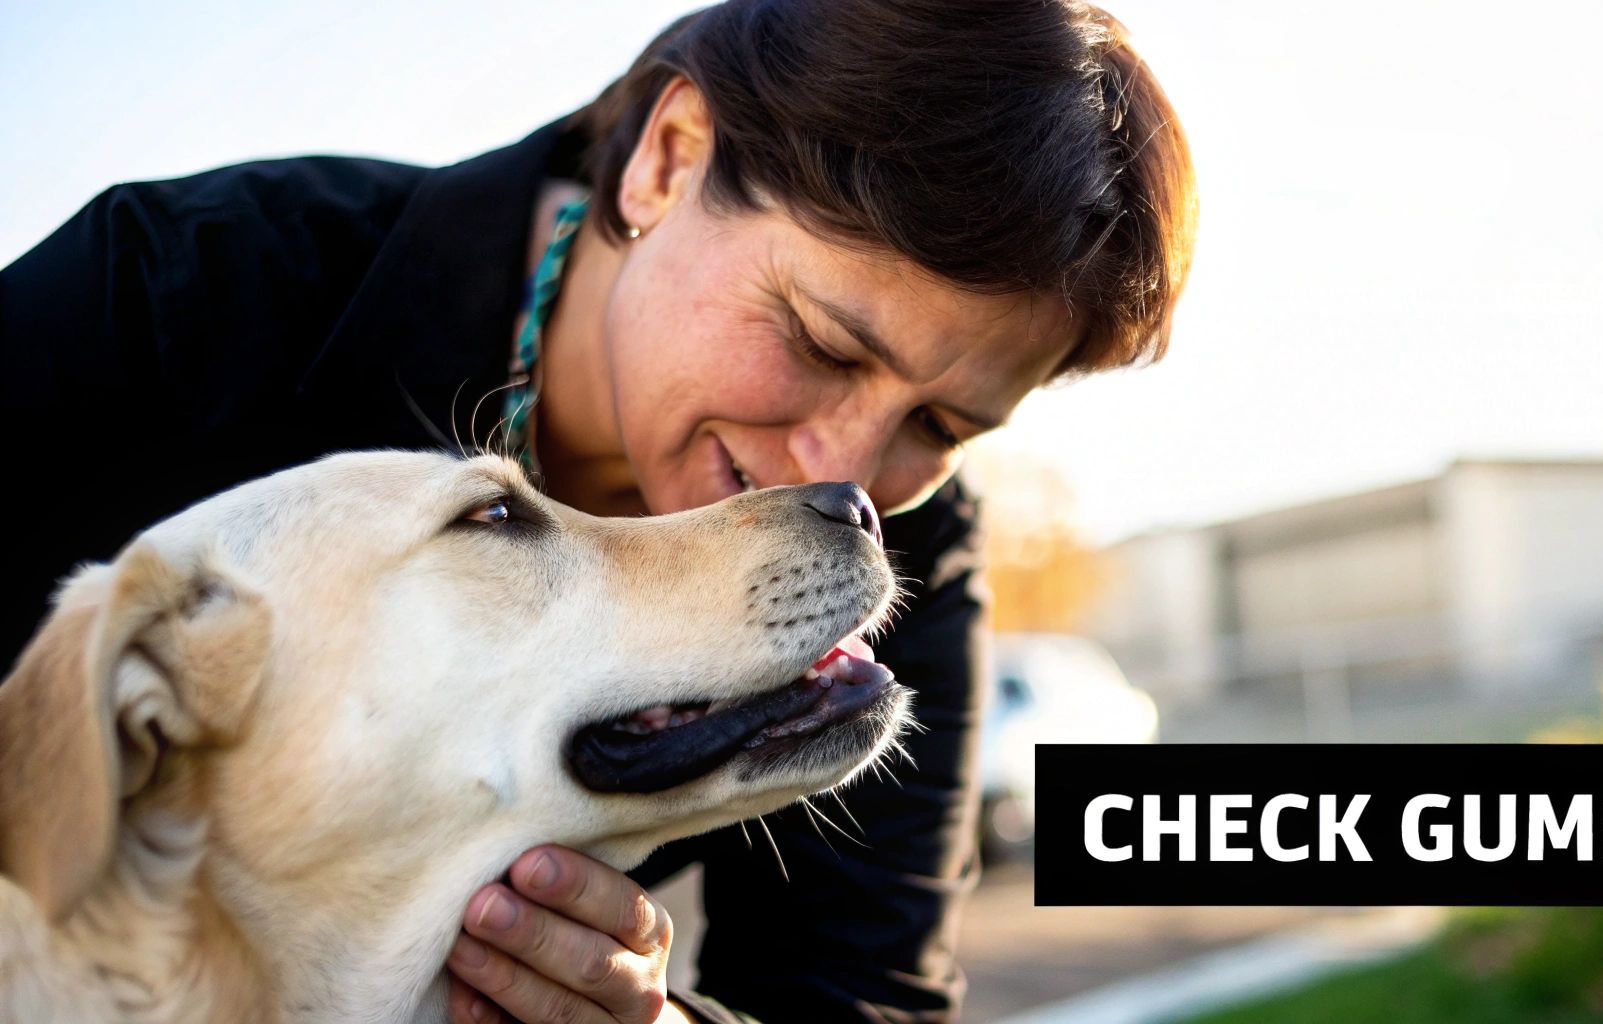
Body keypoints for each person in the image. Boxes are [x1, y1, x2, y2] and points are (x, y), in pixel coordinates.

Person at [0, 1, 1195, 1021]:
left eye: (941, 428)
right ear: (666, 159)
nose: (841, 470)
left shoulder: (899, 540)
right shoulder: (167, 302)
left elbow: (860, 991)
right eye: (820, 342)